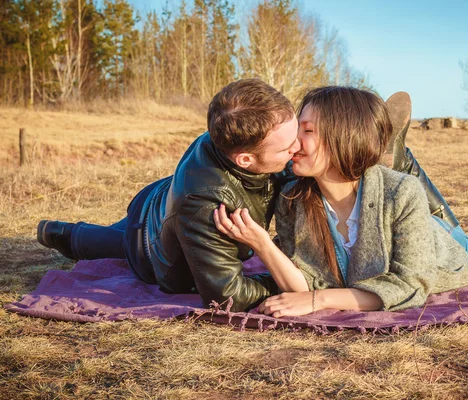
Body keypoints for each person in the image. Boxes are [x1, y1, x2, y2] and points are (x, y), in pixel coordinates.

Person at [38, 79, 301, 312]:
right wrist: (295, 283)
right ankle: (60, 233)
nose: (298, 148)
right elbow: (228, 296)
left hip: (164, 201)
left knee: (117, 238)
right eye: (288, 149)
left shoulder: (235, 129)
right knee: (117, 245)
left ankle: (59, 232)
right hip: (150, 246)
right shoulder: (206, 206)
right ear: (245, 159)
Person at [214, 86, 468, 317]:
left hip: (443, 243)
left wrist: (320, 301)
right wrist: (261, 243)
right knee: (397, 186)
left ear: (344, 136)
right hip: (382, 193)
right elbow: (304, 284)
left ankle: (402, 159)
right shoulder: (292, 200)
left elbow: (410, 285)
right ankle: (389, 155)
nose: (294, 142)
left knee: (417, 201)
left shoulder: (402, 193)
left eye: (307, 130)